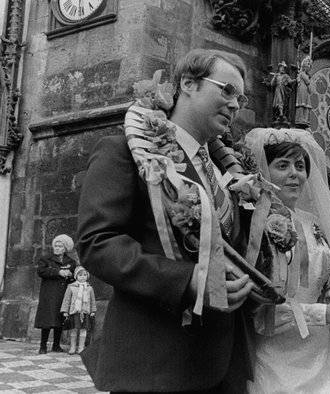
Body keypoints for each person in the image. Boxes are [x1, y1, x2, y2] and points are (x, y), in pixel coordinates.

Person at [77, 48, 256, 392]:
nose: (236, 104)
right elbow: (98, 244)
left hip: (222, 365)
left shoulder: (226, 171)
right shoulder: (125, 151)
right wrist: (187, 280)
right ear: (188, 83)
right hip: (156, 366)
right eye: (227, 90)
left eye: (241, 97)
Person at [244, 128, 330, 393]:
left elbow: (329, 282)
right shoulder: (253, 225)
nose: (294, 173)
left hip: (322, 354)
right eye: (282, 165)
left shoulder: (315, 224)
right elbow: (258, 311)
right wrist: (325, 313)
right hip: (275, 358)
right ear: (263, 170)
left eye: (300, 165)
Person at [34, 234, 77, 354]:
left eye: (60, 246)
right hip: (49, 293)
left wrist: (71, 276)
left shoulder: (71, 262)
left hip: (63, 294)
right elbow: (41, 271)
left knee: (60, 318)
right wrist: (58, 272)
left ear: (66, 248)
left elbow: (74, 276)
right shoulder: (46, 259)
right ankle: (43, 346)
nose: (57, 248)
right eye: (56, 245)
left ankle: (56, 345)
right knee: (46, 320)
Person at [60, 266, 96, 355]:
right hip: (75, 311)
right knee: (74, 329)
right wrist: (65, 310)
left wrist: (93, 310)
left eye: (84, 275)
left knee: (84, 330)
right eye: (80, 275)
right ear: (76, 276)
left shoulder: (89, 288)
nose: (83, 277)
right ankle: (72, 347)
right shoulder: (71, 287)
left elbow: (92, 300)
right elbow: (67, 299)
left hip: (85, 312)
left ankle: (81, 347)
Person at [294, 56, 312, 127]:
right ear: (304, 67)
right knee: (303, 102)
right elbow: (307, 82)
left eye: (310, 66)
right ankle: (301, 119)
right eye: (308, 66)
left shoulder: (304, 74)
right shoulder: (302, 74)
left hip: (305, 89)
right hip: (303, 89)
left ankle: (304, 119)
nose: (309, 67)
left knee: (306, 103)